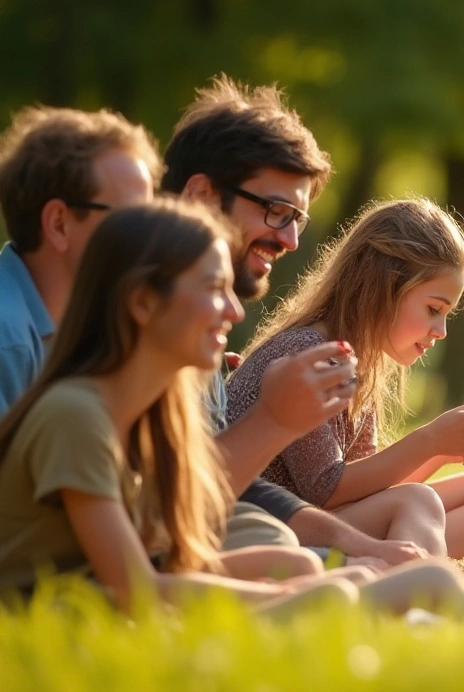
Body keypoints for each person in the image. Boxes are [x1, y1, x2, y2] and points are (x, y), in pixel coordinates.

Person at [0, 199, 464, 621]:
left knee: (313, 570)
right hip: (80, 613)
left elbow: (170, 538)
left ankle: (446, 611)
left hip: (141, 583)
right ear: (144, 303)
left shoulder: (154, 409)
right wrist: (291, 595)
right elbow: (138, 589)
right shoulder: (77, 415)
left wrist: (309, 575)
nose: (236, 312)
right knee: (353, 580)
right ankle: (439, 614)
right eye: (213, 290)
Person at [161, 75, 425, 568]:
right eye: (277, 212)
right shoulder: (134, 322)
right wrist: (274, 420)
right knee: (304, 562)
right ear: (201, 195)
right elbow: (157, 513)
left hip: (219, 532)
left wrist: (361, 546)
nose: (290, 241)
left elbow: (233, 489)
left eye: (297, 219)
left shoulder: (194, 330)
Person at [226, 198, 464, 559]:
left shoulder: (362, 361)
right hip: (267, 532)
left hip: (327, 525)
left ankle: (415, 571)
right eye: (434, 309)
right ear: (383, 287)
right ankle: (424, 586)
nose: (441, 331)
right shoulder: (309, 353)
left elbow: (370, 491)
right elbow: (325, 490)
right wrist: (431, 439)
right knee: (416, 501)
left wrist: (445, 448)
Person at [0, 106, 158, 411]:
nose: (150, 238)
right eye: (133, 217)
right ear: (59, 224)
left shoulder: (84, 328)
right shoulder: (8, 343)